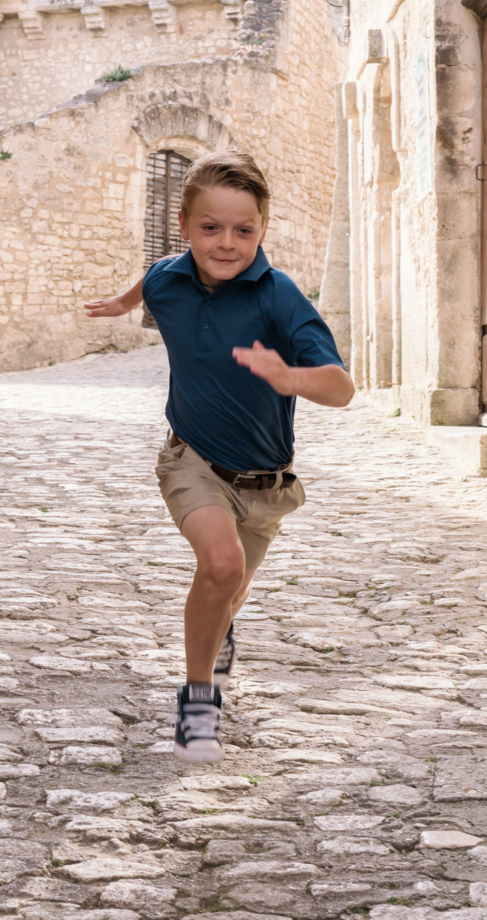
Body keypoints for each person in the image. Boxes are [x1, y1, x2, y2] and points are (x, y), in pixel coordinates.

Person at [84, 150, 353, 763]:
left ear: (262, 230)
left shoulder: (279, 296)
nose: (227, 243)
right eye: (211, 228)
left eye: (244, 230)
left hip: (265, 483)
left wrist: (292, 377)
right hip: (191, 459)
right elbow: (150, 280)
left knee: (229, 588)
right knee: (223, 566)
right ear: (184, 227)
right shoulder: (167, 278)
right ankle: (198, 702)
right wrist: (120, 306)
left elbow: (341, 387)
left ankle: (217, 632)